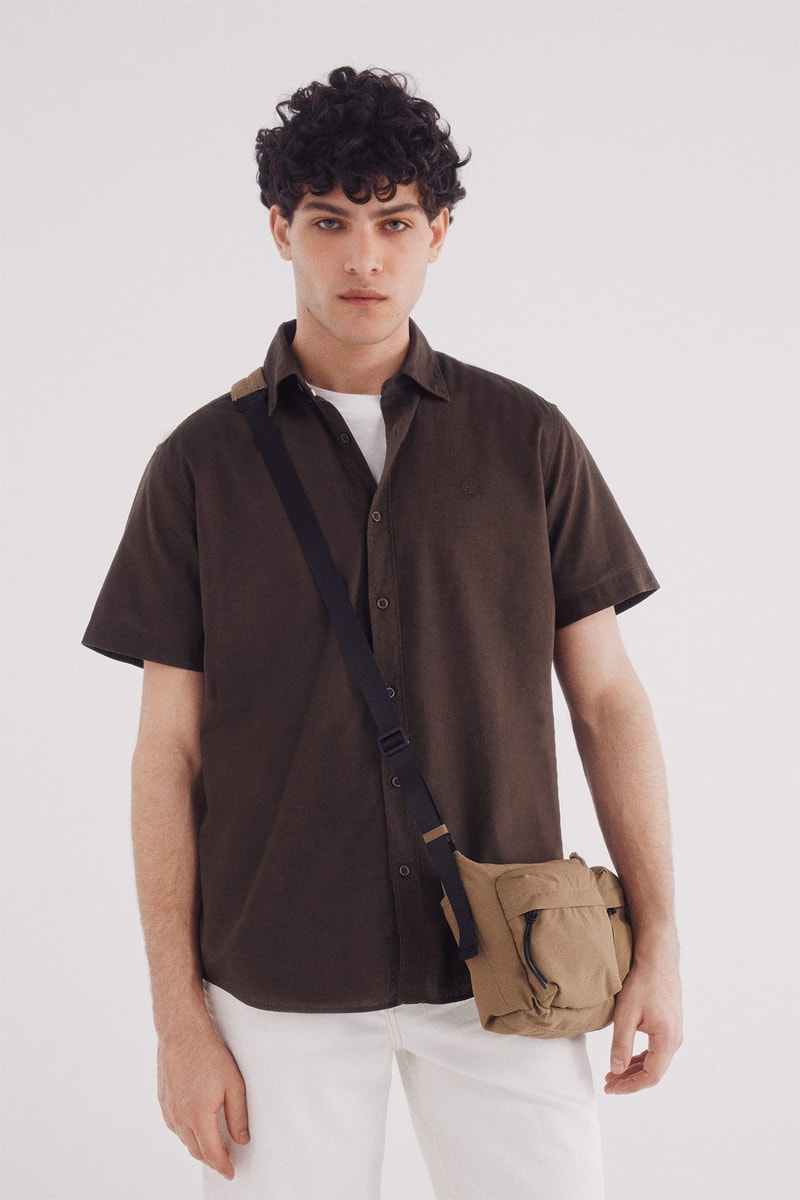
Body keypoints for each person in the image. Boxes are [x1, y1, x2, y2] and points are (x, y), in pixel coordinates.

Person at [83, 65, 682, 1200]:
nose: (363, 257)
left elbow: (608, 702)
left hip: (512, 964)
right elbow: (168, 753)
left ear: (436, 233)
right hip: (277, 979)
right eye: (330, 221)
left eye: (394, 222)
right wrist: (178, 1019)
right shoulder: (200, 466)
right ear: (280, 229)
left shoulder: (526, 439)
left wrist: (660, 943)